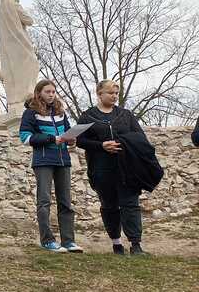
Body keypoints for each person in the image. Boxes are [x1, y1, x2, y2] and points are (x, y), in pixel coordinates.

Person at [77, 80, 149, 256]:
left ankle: (136, 245)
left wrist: (124, 142)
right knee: (109, 206)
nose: (114, 96)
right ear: (99, 94)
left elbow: (140, 137)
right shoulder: (87, 116)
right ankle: (117, 244)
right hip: (101, 170)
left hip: (126, 168)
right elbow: (80, 140)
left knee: (131, 204)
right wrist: (101, 145)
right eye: (110, 93)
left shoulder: (126, 115)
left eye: (116, 93)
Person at [19, 80, 83, 253]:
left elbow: (68, 131)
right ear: (39, 93)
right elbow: (25, 137)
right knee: (44, 201)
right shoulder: (30, 113)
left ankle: (69, 241)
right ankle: (47, 241)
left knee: (66, 202)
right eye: (47, 91)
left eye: (53, 91)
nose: (51, 94)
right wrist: (51, 139)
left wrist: (71, 139)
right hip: (43, 161)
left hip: (63, 160)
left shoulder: (61, 112)